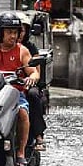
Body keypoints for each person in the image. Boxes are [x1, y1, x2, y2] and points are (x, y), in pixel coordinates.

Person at [0, 11, 40, 166]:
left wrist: (32, 77)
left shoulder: (22, 51)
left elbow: (34, 71)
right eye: (9, 32)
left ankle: (20, 152)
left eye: (15, 32)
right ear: (0, 33)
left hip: (14, 93)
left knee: (22, 113)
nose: (13, 36)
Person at [16, 11, 47, 151]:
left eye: (21, 30)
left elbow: (36, 72)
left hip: (25, 85)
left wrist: (30, 79)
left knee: (33, 95)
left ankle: (38, 134)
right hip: (4, 85)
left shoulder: (29, 48)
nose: (17, 34)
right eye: (11, 31)